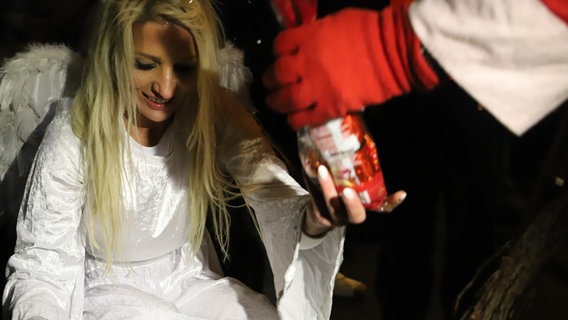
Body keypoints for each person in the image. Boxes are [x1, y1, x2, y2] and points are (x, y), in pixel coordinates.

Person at [0, 0, 408, 319]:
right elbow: (43, 264)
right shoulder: (77, 128)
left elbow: (272, 192)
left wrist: (315, 219)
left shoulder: (211, 110)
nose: (166, 87)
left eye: (184, 68)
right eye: (146, 65)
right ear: (115, 56)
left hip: (189, 279)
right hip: (108, 290)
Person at [262, 0, 568, 318]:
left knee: (473, 218)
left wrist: (393, 46)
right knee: (406, 215)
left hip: (472, 77)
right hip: (393, 62)